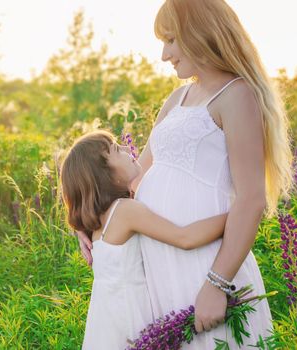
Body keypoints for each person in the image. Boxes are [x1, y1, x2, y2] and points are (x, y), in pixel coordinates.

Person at [77, 0, 292, 348]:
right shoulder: (176, 99)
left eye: (171, 40)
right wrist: (87, 224)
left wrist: (216, 284)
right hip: (162, 270)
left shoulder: (237, 95)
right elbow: (133, 181)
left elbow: (252, 199)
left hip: (206, 266)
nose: (164, 54)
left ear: (200, 33)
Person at [61, 130, 228, 350]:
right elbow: (185, 237)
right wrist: (239, 214)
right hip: (128, 321)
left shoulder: (99, 223)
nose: (125, 148)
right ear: (103, 174)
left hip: (106, 324)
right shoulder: (124, 211)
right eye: (115, 149)